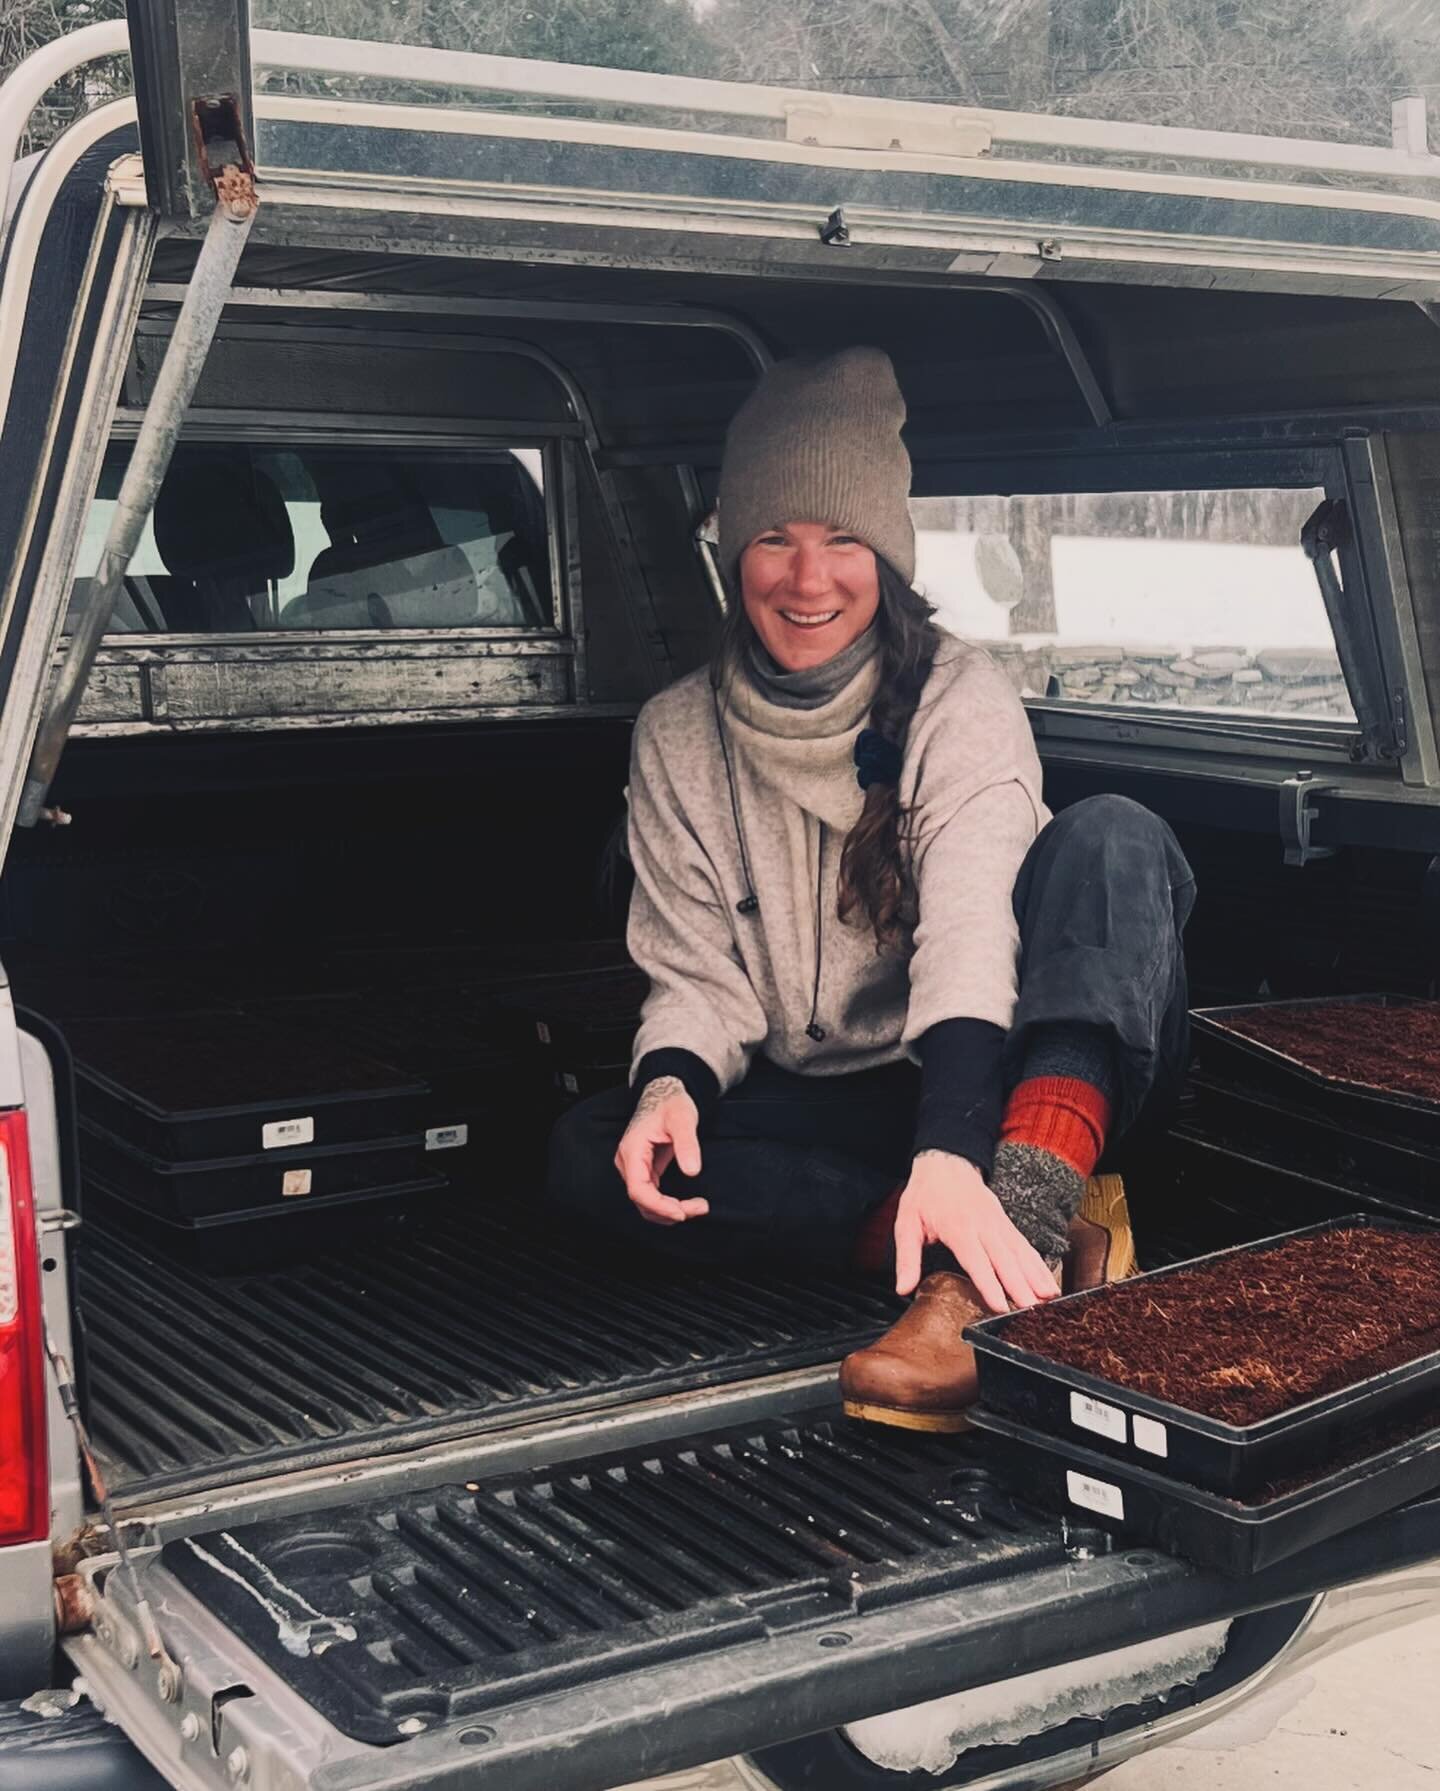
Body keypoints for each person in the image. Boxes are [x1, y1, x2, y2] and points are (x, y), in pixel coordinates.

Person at [547, 347, 1194, 1432]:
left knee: (1114, 839)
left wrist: (957, 1144)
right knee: (589, 1152)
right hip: (847, 1104)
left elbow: (973, 937)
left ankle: (996, 1253)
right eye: (774, 539)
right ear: (730, 551)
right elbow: (697, 975)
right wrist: (670, 1090)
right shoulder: (674, 734)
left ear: (886, 556)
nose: (809, 580)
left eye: (842, 540)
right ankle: (955, 1231)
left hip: (1007, 1068)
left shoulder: (958, 696)